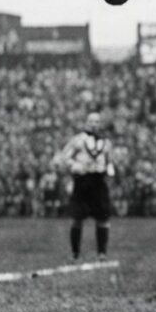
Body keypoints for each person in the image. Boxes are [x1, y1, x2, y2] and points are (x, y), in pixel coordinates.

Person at [56, 112, 116, 261]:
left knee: (103, 217)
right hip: (83, 181)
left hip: (99, 181)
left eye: (97, 122)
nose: (94, 124)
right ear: (86, 123)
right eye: (91, 121)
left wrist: (109, 170)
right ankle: (75, 253)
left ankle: (102, 253)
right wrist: (75, 165)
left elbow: (109, 161)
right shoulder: (77, 140)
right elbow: (64, 157)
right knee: (77, 217)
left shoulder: (106, 143)